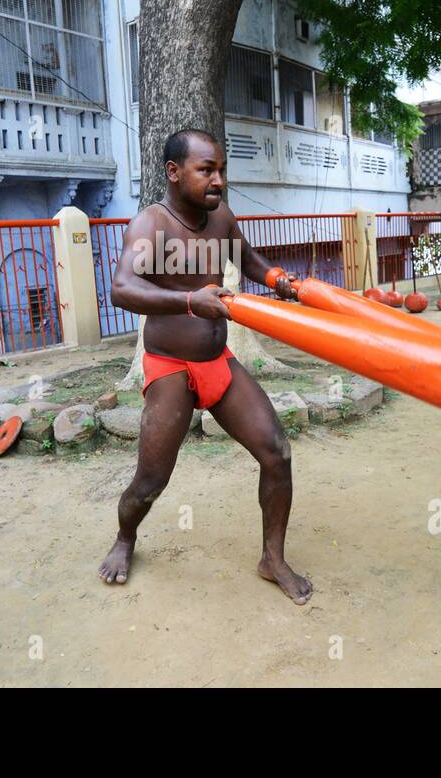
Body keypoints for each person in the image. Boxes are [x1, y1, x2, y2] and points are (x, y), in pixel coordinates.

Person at [98, 128, 313, 605]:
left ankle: (271, 558)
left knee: (276, 452)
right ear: (174, 173)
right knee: (152, 479)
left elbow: (247, 258)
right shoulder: (150, 225)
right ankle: (126, 538)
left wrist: (277, 278)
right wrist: (191, 300)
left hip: (219, 362)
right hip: (170, 368)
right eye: (206, 170)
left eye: (221, 171)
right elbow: (122, 289)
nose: (218, 180)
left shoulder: (222, 218)